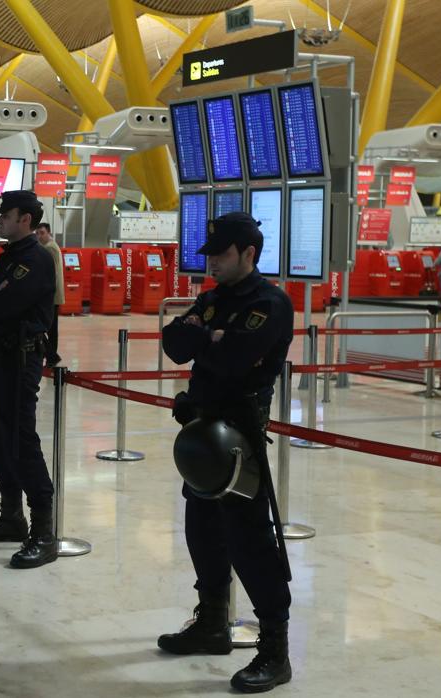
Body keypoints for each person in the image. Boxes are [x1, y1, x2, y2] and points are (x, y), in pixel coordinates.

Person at [158, 212, 295, 693]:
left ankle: (275, 651)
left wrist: (207, 337)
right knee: (202, 531)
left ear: (249, 254)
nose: (211, 262)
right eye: (210, 254)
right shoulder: (213, 300)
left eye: (221, 254)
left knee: (250, 542)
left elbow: (235, 360)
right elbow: (175, 345)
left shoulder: (270, 304)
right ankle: (212, 622)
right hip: (201, 437)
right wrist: (208, 335)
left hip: (238, 442)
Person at [0, 190, 58, 569]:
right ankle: (12, 516)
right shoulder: (8, 258)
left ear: (25, 219)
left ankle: (44, 532)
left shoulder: (35, 260)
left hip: (19, 362)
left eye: (6, 215)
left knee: (21, 441)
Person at [35, 222, 64, 366]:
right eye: (38, 233)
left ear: (49, 233)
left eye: (42, 233)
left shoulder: (49, 248)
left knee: (44, 327)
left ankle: (52, 356)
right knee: (50, 327)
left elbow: (52, 274)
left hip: (50, 296)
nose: (39, 236)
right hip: (51, 295)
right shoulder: (50, 247)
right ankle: (51, 356)